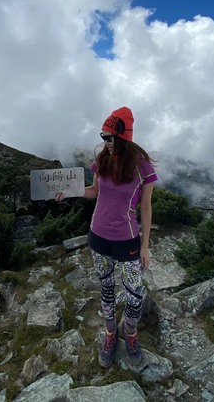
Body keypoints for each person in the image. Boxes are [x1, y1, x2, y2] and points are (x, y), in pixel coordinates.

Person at [60, 106, 157, 367]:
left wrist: (145, 246)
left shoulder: (143, 168)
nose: (105, 143)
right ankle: (111, 334)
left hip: (127, 240)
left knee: (135, 293)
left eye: (110, 138)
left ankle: (131, 332)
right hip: (98, 237)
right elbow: (94, 191)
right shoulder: (102, 160)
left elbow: (146, 207)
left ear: (124, 137)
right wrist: (68, 191)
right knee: (106, 288)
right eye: (103, 137)